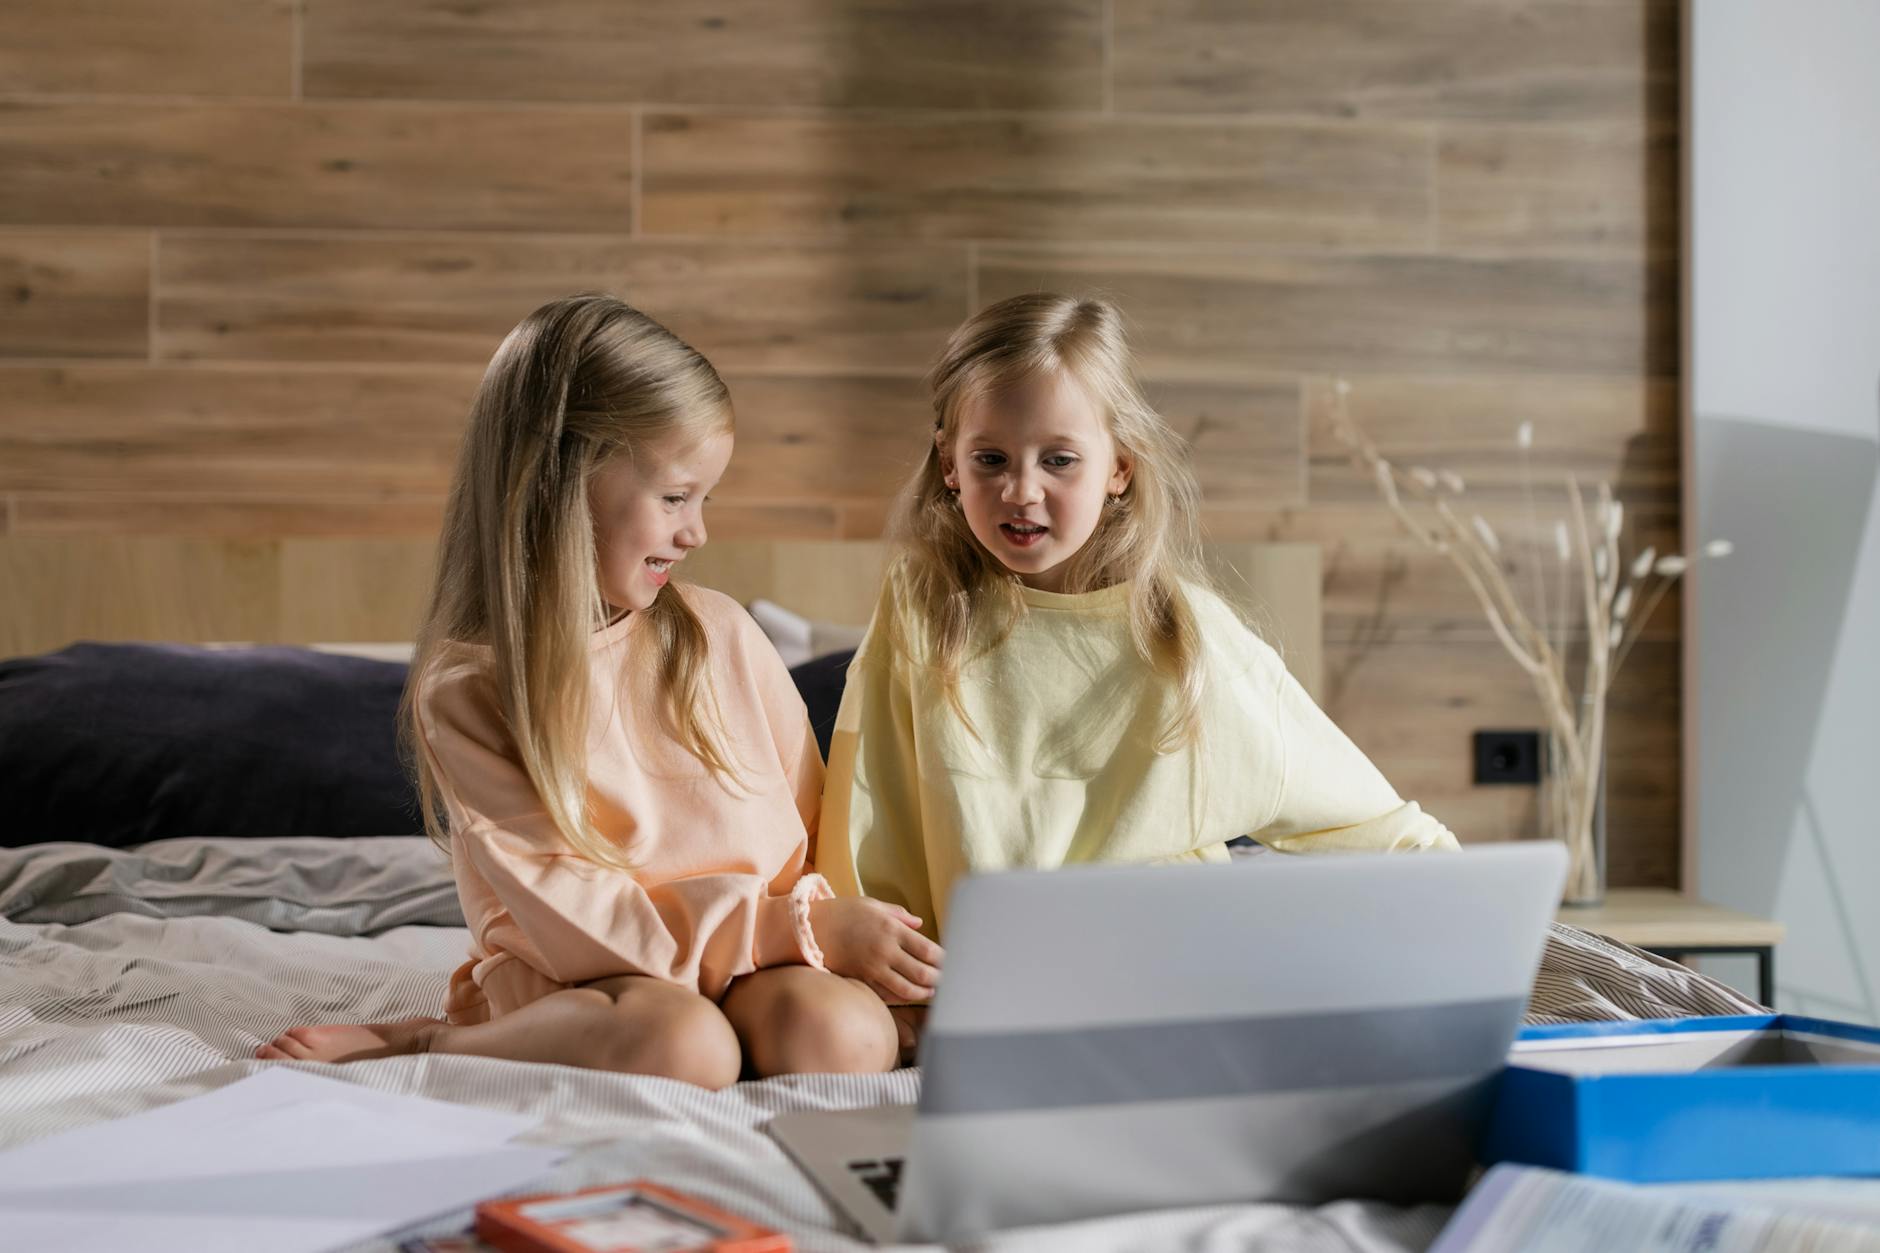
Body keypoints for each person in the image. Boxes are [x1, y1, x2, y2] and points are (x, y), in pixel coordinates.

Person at [256, 294, 940, 1088]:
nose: (698, 533)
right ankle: (427, 1045)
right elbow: (585, 924)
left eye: (704, 499)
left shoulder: (722, 631)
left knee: (842, 1038)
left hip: (767, 958)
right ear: (559, 485)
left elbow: (816, 833)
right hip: (592, 979)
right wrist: (789, 926)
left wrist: (861, 959)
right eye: (675, 497)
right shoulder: (472, 692)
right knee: (687, 1044)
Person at [818, 291, 1458, 954]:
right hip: (991, 971)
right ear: (950, 464)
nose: (1021, 491)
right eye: (991, 459)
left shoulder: (1190, 636)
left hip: (1165, 963)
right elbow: (867, 817)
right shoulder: (923, 605)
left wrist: (1469, 899)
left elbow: (1363, 819)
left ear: (1119, 467)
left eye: (1059, 460)